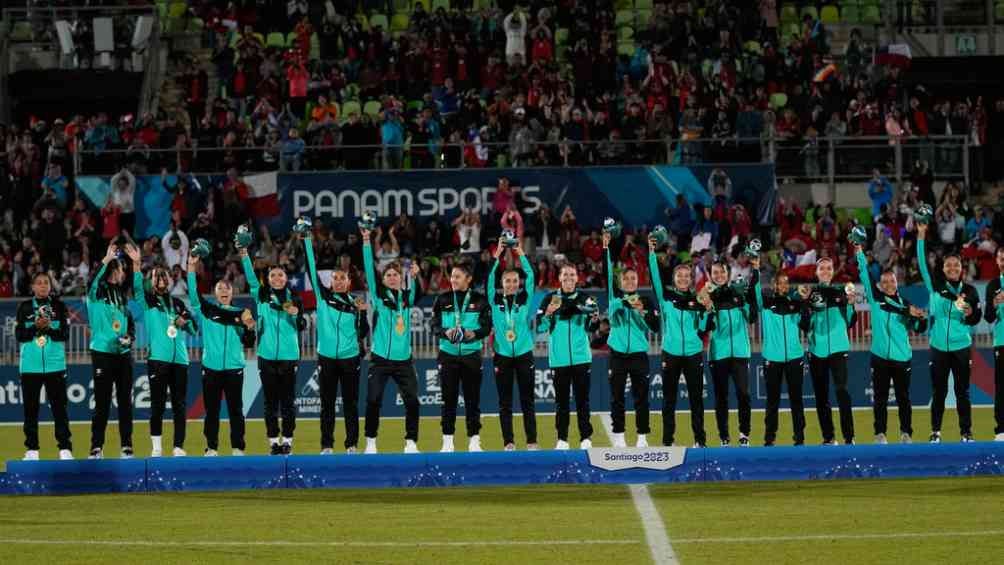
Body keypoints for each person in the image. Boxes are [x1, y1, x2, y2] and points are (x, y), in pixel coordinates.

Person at [126, 244, 196, 457]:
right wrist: (136, 264)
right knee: (157, 405)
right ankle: (157, 447)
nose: (161, 280)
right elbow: (137, 287)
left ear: (170, 280)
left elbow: (193, 329)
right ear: (152, 282)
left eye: (164, 277)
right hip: (158, 359)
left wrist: (185, 322)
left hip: (180, 360)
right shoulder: (148, 301)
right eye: (157, 277)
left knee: (179, 406)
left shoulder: (177, 303)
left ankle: (178, 446)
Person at [303, 233, 369, 454]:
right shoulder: (323, 297)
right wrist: (306, 241)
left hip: (350, 358)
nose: (339, 281)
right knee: (327, 405)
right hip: (327, 358)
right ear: (330, 282)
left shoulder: (355, 303)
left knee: (351, 405)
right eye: (335, 278)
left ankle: (351, 444)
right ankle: (327, 445)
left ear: (349, 282)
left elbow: (363, 332)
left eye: (343, 278)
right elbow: (311, 268)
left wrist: (361, 314)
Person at [854, 245, 928, 444]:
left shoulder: (906, 304)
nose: (888, 284)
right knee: (880, 399)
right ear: (880, 284)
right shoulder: (876, 298)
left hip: (902, 358)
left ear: (897, 283)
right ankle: (880, 434)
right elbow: (865, 274)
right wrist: (860, 251)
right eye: (884, 281)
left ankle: (906, 433)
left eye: (891, 281)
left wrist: (921, 317)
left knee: (904, 398)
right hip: (879, 357)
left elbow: (920, 328)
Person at [361, 225, 424, 454]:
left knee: (412, 401)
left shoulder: (407, 297)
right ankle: (370, 442)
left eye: (396, 275)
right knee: (373, 400)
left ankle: (411, 441)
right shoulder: (378, 297)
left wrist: (416, 274)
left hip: (404, 360)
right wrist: (367, 242)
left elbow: (416, 286)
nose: (392, 278)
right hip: (380, 359)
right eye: (388, 275)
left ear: (401, 278)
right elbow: (369, 269)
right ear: (384, 279)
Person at [917, 222, 981, 442]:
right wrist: (921, 235)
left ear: (961, 268)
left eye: (956, 265)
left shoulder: (970, 291)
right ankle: (935, 432)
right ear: (943, 269)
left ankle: (966, 432)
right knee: (939, 393)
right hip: (938, 348)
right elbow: (923, 266)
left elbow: (976, 318)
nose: (952, 268)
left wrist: (970, 311)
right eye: (948, 265)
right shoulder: (935, 287)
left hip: (962, 347)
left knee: (963, 393)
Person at [240, 241, 306, 455]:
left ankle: (287, 440)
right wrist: (244, 254)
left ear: (286, 279)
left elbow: (302, 325)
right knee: (270, 402)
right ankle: (272, 442)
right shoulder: (261, 296)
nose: (277, 278)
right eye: (273, 276)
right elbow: (250, 277)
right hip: (266, 356)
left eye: (280, 275)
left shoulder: (294, 298)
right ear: (268, 280)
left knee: (287, 401)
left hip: (289, 356)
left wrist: (296, 315)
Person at [187, 255, 256, 456]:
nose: (224, 291)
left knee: (236, 411)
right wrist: (191, 268)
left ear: (232, 292)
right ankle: (212, 447)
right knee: (212, 412)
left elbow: (249, 343)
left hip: (234, 368)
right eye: (220, 289)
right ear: (215, 294)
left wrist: (250, 329)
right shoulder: (206, 310)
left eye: (227, 289)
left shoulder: (242, 312)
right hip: (211, 368)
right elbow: (192, 294)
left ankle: (238, 447)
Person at [648, 238, 710, 447]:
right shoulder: (665, 297)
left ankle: (700, 441)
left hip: (693, 352)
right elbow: (655, 277)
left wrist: (707, 309)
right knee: (669, 401)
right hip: (671, 353)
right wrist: (651, 253)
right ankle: (667, 442)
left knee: (696, 400)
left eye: (687, 276)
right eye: (679, 275)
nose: (683, 279)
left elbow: (703, 328)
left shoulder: (697, 300)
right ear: (674, 278)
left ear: (691, 279)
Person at [603, 232, 659, 448]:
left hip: (638, 355)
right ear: (620, 281)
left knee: (641, 397)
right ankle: (618, 435)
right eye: (625, 279)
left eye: (632, 279)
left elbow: (655, 327)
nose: (629, 281)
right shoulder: (615, 299)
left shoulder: (645, 301)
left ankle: (642, 436)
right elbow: (608, 273)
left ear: (638, 281)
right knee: (617, 397)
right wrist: (606, 247)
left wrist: (642, 312)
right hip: (617, 354)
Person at [535, 264, 599, 449]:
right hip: (559, 359)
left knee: (582, 401)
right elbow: (540, 327)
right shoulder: (550, 298)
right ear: (560, 278)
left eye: (572, 274)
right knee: (561, 402)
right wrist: (548, 313)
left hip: (581, 358)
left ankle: (585, 438)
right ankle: (562, 439)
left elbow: (592, 328)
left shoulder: (586, 299)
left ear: (577, 278)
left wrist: (594, 319)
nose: (569, 278)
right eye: (565, 274)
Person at [430, 261, 491, 452]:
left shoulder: (480, 300)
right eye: (452, 276)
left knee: (473, 400)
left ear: (468, 279)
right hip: (447, 354)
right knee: (448, 399)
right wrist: (445, 332)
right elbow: (433, 325)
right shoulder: (442, 299)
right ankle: (447, 441)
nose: (453, 280)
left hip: (471, 355)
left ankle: (474, 439)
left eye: (457, 276)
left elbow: (487, 327)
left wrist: (475, 334)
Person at [751, 256, 810, 446]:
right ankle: (769, 439)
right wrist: (755, 270)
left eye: (786, 283)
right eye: (780, 282)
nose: (784, 285)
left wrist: (805, 303)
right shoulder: (766, 303)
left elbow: (806, 325)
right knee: (772, 401)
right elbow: (754, 291)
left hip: (794, 357)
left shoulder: (795, 304)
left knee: (796, 400)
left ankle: (799, 438)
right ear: (774, 284)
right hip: (772, 358)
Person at [487, 240, 538, 451]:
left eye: (514, 281)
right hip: (502, 355)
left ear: (519, 282)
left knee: (527, 400)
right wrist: (496, 256)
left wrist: (520, 254)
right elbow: (488, 282)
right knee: (505, 402)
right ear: (502, 283)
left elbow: (532, 277)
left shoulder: (525, 298)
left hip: (524, 354)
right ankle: (508, 442)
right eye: (507, 281)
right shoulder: (494, 300)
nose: (511, 284)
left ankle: (532, 441)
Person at [16, 273, 73, 460]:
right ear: (32, 286)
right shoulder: (24, 308)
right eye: (38, 283)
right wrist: (35, 326)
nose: (42, 286)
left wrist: (48, 328)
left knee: (60, 410)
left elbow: (64, 335)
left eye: (45, 283)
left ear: (50, 286)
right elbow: (20, 336)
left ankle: (65, 449)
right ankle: (32, 449)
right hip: (30, 367)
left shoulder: (59, 306)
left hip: (55, 366)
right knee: (30, 411)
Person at [87, 243, 135, 459]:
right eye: (122, 269)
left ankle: (127, 446)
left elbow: (129, 322)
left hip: (123, 354)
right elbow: (92, 280)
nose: (124, 273)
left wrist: (130, 337)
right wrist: (106, 258)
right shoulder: (97, 292)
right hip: (103, 353)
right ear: (114, 270)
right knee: (103, 401)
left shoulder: (122, 296)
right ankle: (96, 447)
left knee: (125, 401)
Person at [805, 257, 857, 445]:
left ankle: (849, 437)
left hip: (838, 348)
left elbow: (850, 322)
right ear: (816, 272)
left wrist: (851, 304)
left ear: (833, 271)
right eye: (822, 268)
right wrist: (807, 308)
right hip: (817, 350)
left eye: (829, 268)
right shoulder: (810, 295)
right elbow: (804, 325)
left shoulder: (840, 293)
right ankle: (829, 438)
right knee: (821, 396)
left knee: (842, 391)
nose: (825, 271)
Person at [706, 259, 755, 447]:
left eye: (722, 272)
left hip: (740, 352)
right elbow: (704, 326)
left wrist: (745, 300)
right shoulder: (711, 296)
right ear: (711, 275)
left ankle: (744, 434)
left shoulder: (737, 292)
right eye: (715, 273)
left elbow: (751, 317)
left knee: (744, 394)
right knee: (721, 397)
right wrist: (709, 308)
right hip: (718, 353)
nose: (719, 275)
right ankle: (724, 437)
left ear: (728, 273)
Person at [984, 246, 1004, 442]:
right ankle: (1001, 430)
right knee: (1001, 387)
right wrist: (995, 304)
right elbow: (988, 317)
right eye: (1001, 258)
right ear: (997, 262)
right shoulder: (993, 285)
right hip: (1002, 341)